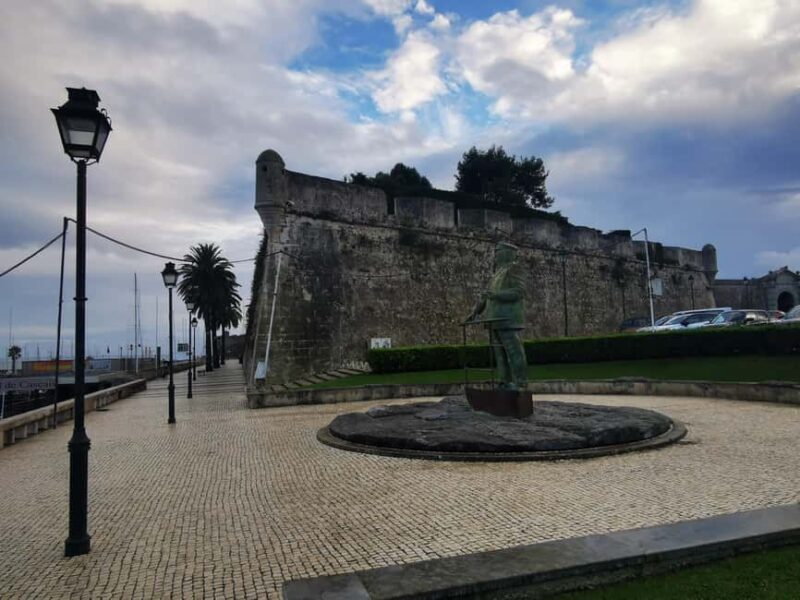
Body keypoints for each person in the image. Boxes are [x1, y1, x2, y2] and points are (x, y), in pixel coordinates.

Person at [466, 242, 527, 389]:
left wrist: (497, 295)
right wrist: (475, 312)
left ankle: (520, 383)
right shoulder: (497, 273)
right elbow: (488, 296)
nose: (495, 255)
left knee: (514, 352)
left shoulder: (514, 268)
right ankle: (504, 382)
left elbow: (519, 292)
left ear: (507, 253)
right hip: (494, 319)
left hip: (507, 318)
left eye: (498, 252)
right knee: (499, 355)